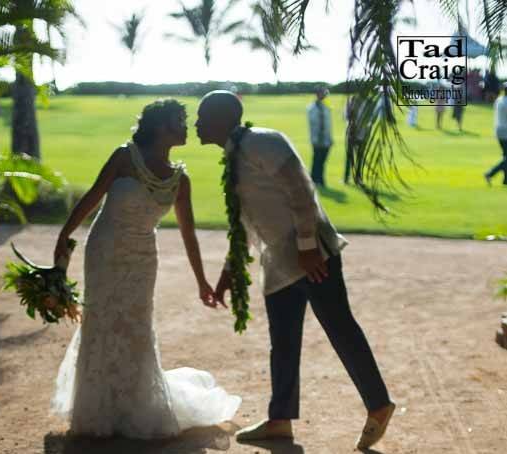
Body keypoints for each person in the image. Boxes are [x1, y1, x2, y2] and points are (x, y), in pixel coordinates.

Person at [195, 91, 395, 450]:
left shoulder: (263, 142)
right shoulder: (234, 158)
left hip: (313, 257)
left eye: (201, 116)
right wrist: (228, 274)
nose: (196, 123)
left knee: (340, 328)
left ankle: (378, 405)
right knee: (283, 344)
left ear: (222, 118)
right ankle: (279, 421)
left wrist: (307, 248)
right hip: (279, 266)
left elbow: (301, 191)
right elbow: (245, 226)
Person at [51, 99, 241, 438]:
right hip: (105, 250)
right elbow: (93, 197)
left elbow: (189, 236)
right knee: (102, 320)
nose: (186, 127)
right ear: (161, 126)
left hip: (142, 259)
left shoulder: (181, 181)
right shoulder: (124, 156)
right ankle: (96, 409)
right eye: (180, 121)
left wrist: (202, 282)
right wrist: (64, 235)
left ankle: (134, 406)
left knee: (135, 326)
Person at [307, 87, 333, 186]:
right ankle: (315, 179)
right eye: (322, 94)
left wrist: (330, 137)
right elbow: (313, 124)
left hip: (326, 139)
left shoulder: (326, 107)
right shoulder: (312, 108)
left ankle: (319, 179)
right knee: (317, 159)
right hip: (317, 139)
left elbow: (328, 124)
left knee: (322, 160)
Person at [485, 83, 507, 186]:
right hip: (505, 131)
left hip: (499, 130)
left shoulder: (499, 100)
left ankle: (506, 180)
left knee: (505, 156)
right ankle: (490, 173)